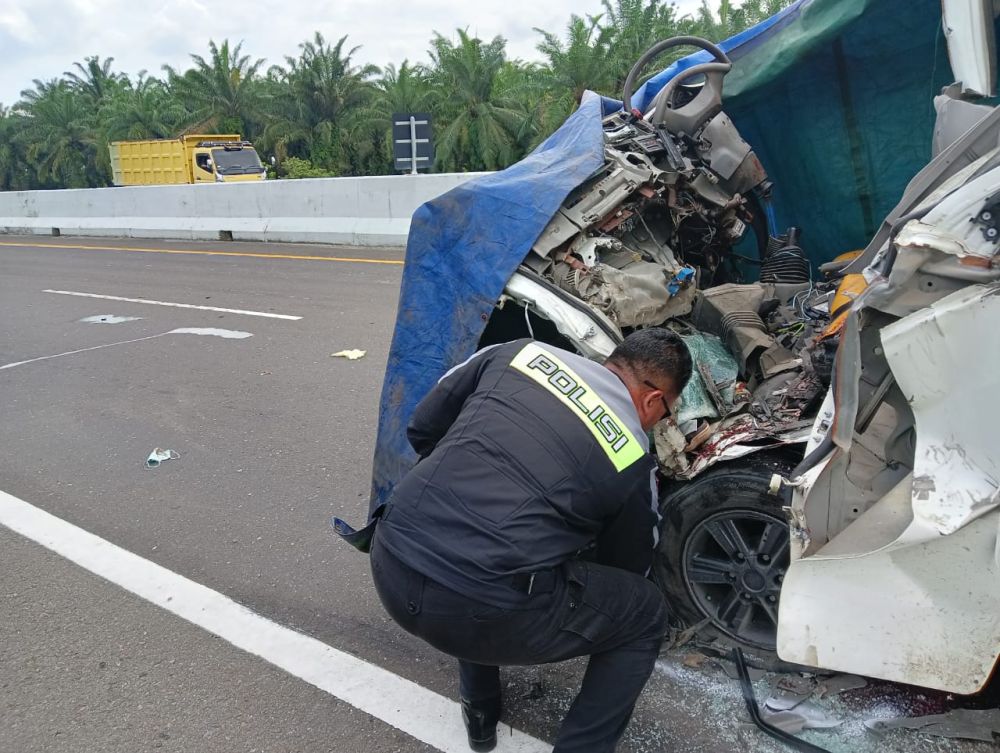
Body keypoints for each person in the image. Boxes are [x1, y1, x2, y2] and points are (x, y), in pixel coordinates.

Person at [368, 330, 692, 752]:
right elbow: (626, 567)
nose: (660, 423)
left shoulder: (519, 352)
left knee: (485, 534)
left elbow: (423, 428)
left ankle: (480, 710)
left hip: (390, 557)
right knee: (643, 612)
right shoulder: (630, 451)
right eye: (666, 413)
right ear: (653, 401)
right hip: (477, 612)